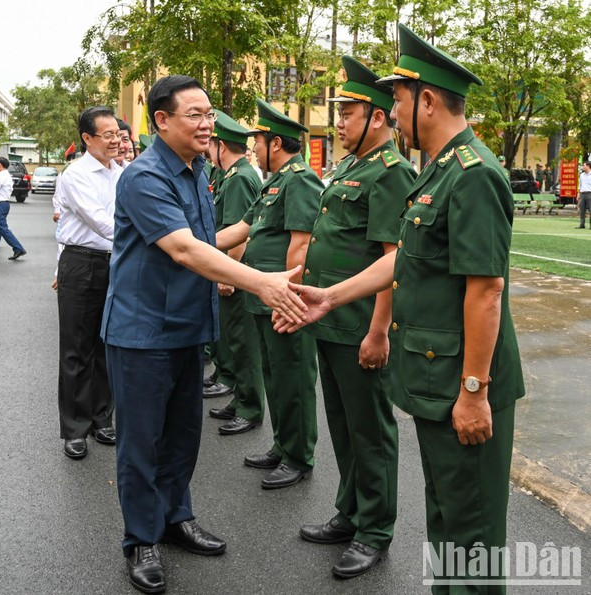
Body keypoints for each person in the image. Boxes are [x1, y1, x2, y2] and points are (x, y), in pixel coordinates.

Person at [277, 24, 525, 593]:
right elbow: (404, 260)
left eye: (400, 101)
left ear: (428, 101)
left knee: (471, 533)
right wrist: (330, 296)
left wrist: (474, 392)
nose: (393, 112)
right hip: (438, 376)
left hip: (463, 381)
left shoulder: (474, 174)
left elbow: (486, 290)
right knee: (445, 521)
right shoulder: (438, 172)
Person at [100, 74, 307, 594]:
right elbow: (185, 251)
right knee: (141, 442)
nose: (207, 123)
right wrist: (260, 281)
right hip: (143, 333)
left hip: (186, 328)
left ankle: (175, 518)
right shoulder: (145, 176)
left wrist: (261, 224)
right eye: (195, 114)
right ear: (162, 120)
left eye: (209, 114)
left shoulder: (194, 172)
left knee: (181, 437)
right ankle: (141, 540)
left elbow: (206, 240)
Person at [296, 56, 416, 579]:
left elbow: (395, 260)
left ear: (380, 118)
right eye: (340, 111)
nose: (339, 121)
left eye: (349, 112)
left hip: (362, 327)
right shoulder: (348, 168)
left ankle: (375, 530)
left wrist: (378, 332)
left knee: (370, 430)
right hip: (332, 323)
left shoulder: (391, 173)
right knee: (343, 426)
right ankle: (350, 511)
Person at [217, 98, 322, 490]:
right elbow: (241, 230)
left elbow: (301, 245)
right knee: (275, 377)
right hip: (262, 297)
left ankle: (299, 456)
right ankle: (282, 445)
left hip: (284, 300)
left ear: (275, 143)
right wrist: (194, 249)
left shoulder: (300, 180)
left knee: (292, 379)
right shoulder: (273, 183)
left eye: (257, 141)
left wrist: (292, 300)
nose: (253, 148)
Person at [56, 106, 122, 459]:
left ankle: (102, 418)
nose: (115, 141)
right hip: (82, 264)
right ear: (87, 138)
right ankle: (75, 428)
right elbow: (103, 222)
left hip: (116, 263)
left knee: (106, 346)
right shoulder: (76, 175)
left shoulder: (120, 172)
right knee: (77, 349)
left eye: (117, 134)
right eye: (107, 135)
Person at [205, 110, 265, 435]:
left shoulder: (240, 177)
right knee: (233, 339)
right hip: (229, 269)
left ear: (221, 146)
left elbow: (239, 230)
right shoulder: (232, 175)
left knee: (243, 343)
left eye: (211, 144)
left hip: (237, 274)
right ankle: (240, 400)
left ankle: (250, 407)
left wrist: (228, 274)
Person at [575, 160, 591, 228]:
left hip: (590, 193)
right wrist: (578, 194)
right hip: (582, 194)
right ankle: (582, 224)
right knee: (582, 210)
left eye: (584, 165)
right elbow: (580, 185)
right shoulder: (581, 175)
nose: (582, 167)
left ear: (588, 166)